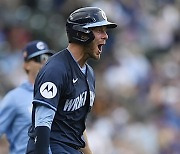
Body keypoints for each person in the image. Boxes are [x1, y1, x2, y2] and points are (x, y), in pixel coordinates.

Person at [26, 7, 117, 154]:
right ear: (82, 33)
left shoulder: (89, 73)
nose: (105, 36)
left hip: (70, 148)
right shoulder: (56, 69)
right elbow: (42, 123)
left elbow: (77, 126)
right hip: (51, 147)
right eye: (100, 30)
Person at [0, 40, 54, 154]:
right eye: (41, 59)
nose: (45, 63)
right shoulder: (14, 98)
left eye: (48, 58)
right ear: (27, 64)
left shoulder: (56, 94)